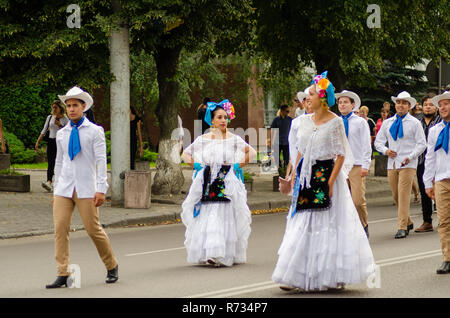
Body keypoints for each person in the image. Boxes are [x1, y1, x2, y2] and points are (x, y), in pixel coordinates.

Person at [272, 71, 375, 292]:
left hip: (326, 175)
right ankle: (295, 274)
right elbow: (300, 151)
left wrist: (330, 182)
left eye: (311, 94)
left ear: (322, 98)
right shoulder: (304, 122)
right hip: (306, 177)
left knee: (328, 224)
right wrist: (291, 177)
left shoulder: (336, 122)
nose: (306, 98)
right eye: (307, 94)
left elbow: (340, 154)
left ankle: (330, 274)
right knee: (301, 223)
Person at [46, 86, 118, 288]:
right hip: (64, 188)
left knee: (93, 229)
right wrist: (55, 189)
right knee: (60, 229)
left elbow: (101, 161)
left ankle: (112, 265)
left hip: (86, 188)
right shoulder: (62, 133)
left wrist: (101, 188)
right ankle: (63, 272)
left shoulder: (95, 131)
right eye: (68, 106)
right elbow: (59, 163)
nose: (71, 109)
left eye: (75, 105)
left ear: (83, 107)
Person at [180, 99, 256, 267]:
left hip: (226, 180)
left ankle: (223, 253)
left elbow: (251, 152)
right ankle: (209, 252)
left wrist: (237, 166)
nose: (224, 120)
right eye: (220, 117)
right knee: (208, 213)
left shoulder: (233, 138)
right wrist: (197, 165)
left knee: (223, 213)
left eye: (225, 117)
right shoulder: (203, 139)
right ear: (212, 120)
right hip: (207, 180)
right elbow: (185, 154)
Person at [374, 91, 426, 239]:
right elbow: (378, 142)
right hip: (392, 163)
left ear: (409, 106)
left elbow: (422, 144)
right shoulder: (388, 123)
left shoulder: (415, 123)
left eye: (404, 103)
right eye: (398, 102)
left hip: (408, 163)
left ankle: (402, 227)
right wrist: (386, 150)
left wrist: (411, 156)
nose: (400, 105)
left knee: (403, 195)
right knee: (396, 195)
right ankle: (408, 221)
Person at [336, 90, 372, 237]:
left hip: (356, 165)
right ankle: (349, 230)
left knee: (357, 200)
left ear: (352, 105)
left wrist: (366, 165)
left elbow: (366, 144)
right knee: (343, 200)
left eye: (345, 102)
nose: (342, 105)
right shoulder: (335, 122)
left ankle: (363, 225)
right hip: (340, 165)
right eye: (340, 102)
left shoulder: (360, 122)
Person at [423, 91, 450, 274]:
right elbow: (430, 157)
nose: (442, 107)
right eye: (440, 105)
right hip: (441, 179)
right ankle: (447, 258)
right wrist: (427, 182)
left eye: (446, 104)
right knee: (444, 221)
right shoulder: (435, 130)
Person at [415, 93, 441, 233]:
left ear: (436, 107)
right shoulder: (417, 121)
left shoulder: (440, 121)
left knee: (440, 191)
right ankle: (427, 221)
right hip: (421, 161)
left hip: (438, 163)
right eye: (426, 105)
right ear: (422, 107)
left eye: (431, 105)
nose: (428, 107)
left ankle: (443, 220)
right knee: (425, 191)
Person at [35, 101, 69, 192]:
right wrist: (38, 141)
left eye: (56, 108)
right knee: (50, 162)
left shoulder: (66, 119)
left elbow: (69, 131)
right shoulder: (50, 117)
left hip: (61, 142)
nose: (54, 109)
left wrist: (60, 125)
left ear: (60, 108)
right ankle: (49, 181)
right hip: (51, 141)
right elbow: (44, 129)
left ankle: (60, 182)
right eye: (53, 107)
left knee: (60, 162)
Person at [285, 88, 311, 179]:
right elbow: (293, 145)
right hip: (301, 163)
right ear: (303, 102)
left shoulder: (326, 120)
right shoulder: (296, 122)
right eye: (307, 100)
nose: (309, 103)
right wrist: (294, 166)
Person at [269, 105, 293, 169]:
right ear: (282, 111)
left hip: (287, 142)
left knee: (286, 159)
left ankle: (286, 171)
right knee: (277, 158)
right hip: (277, 142)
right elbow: (272, 131)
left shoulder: (290, 120)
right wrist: (271, 141)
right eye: (287, 111)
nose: (288, 113)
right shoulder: (276, 120)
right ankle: (279, 170)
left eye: (288, 111)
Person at [130, 106, 144, 170]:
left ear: (130, 110)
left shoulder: (137, 119)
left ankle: (131, 174)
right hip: (125, 141)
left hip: (133, 141)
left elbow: (139, 133)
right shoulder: (124, 118)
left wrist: (141, 146)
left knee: (132, 159)